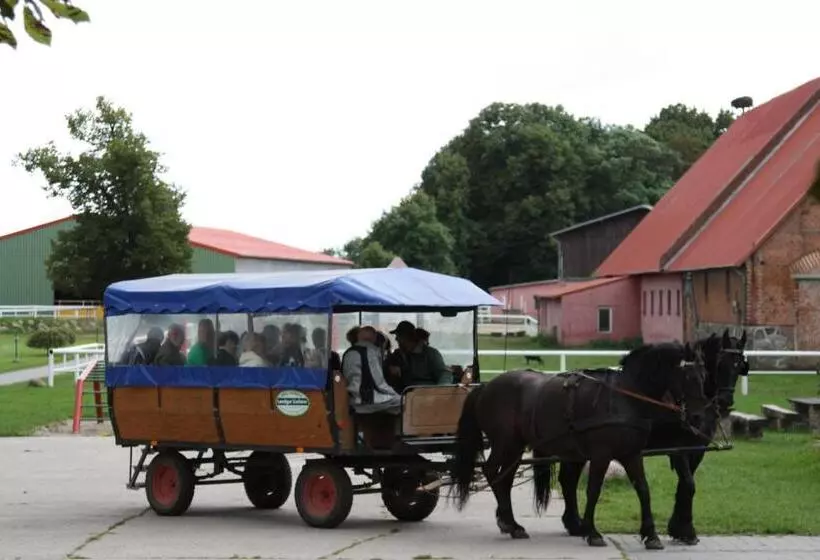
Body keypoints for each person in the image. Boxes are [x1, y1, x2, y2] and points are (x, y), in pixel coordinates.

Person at [341, 325, 401, 415]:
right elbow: (379, 383)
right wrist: (395, 394)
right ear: (374, 338)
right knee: (405, 402)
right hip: (367, 401)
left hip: (352, 399)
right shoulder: (370, 352)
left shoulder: (348, 353)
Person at [388, 320, 451, 388]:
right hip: (405, 392)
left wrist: (440, 390)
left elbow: (444, 374)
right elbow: (386, 366)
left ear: (408, 337)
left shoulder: (431, 354)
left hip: (427, 391)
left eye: (399, 336)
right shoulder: (397, 355)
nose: (396, 339)